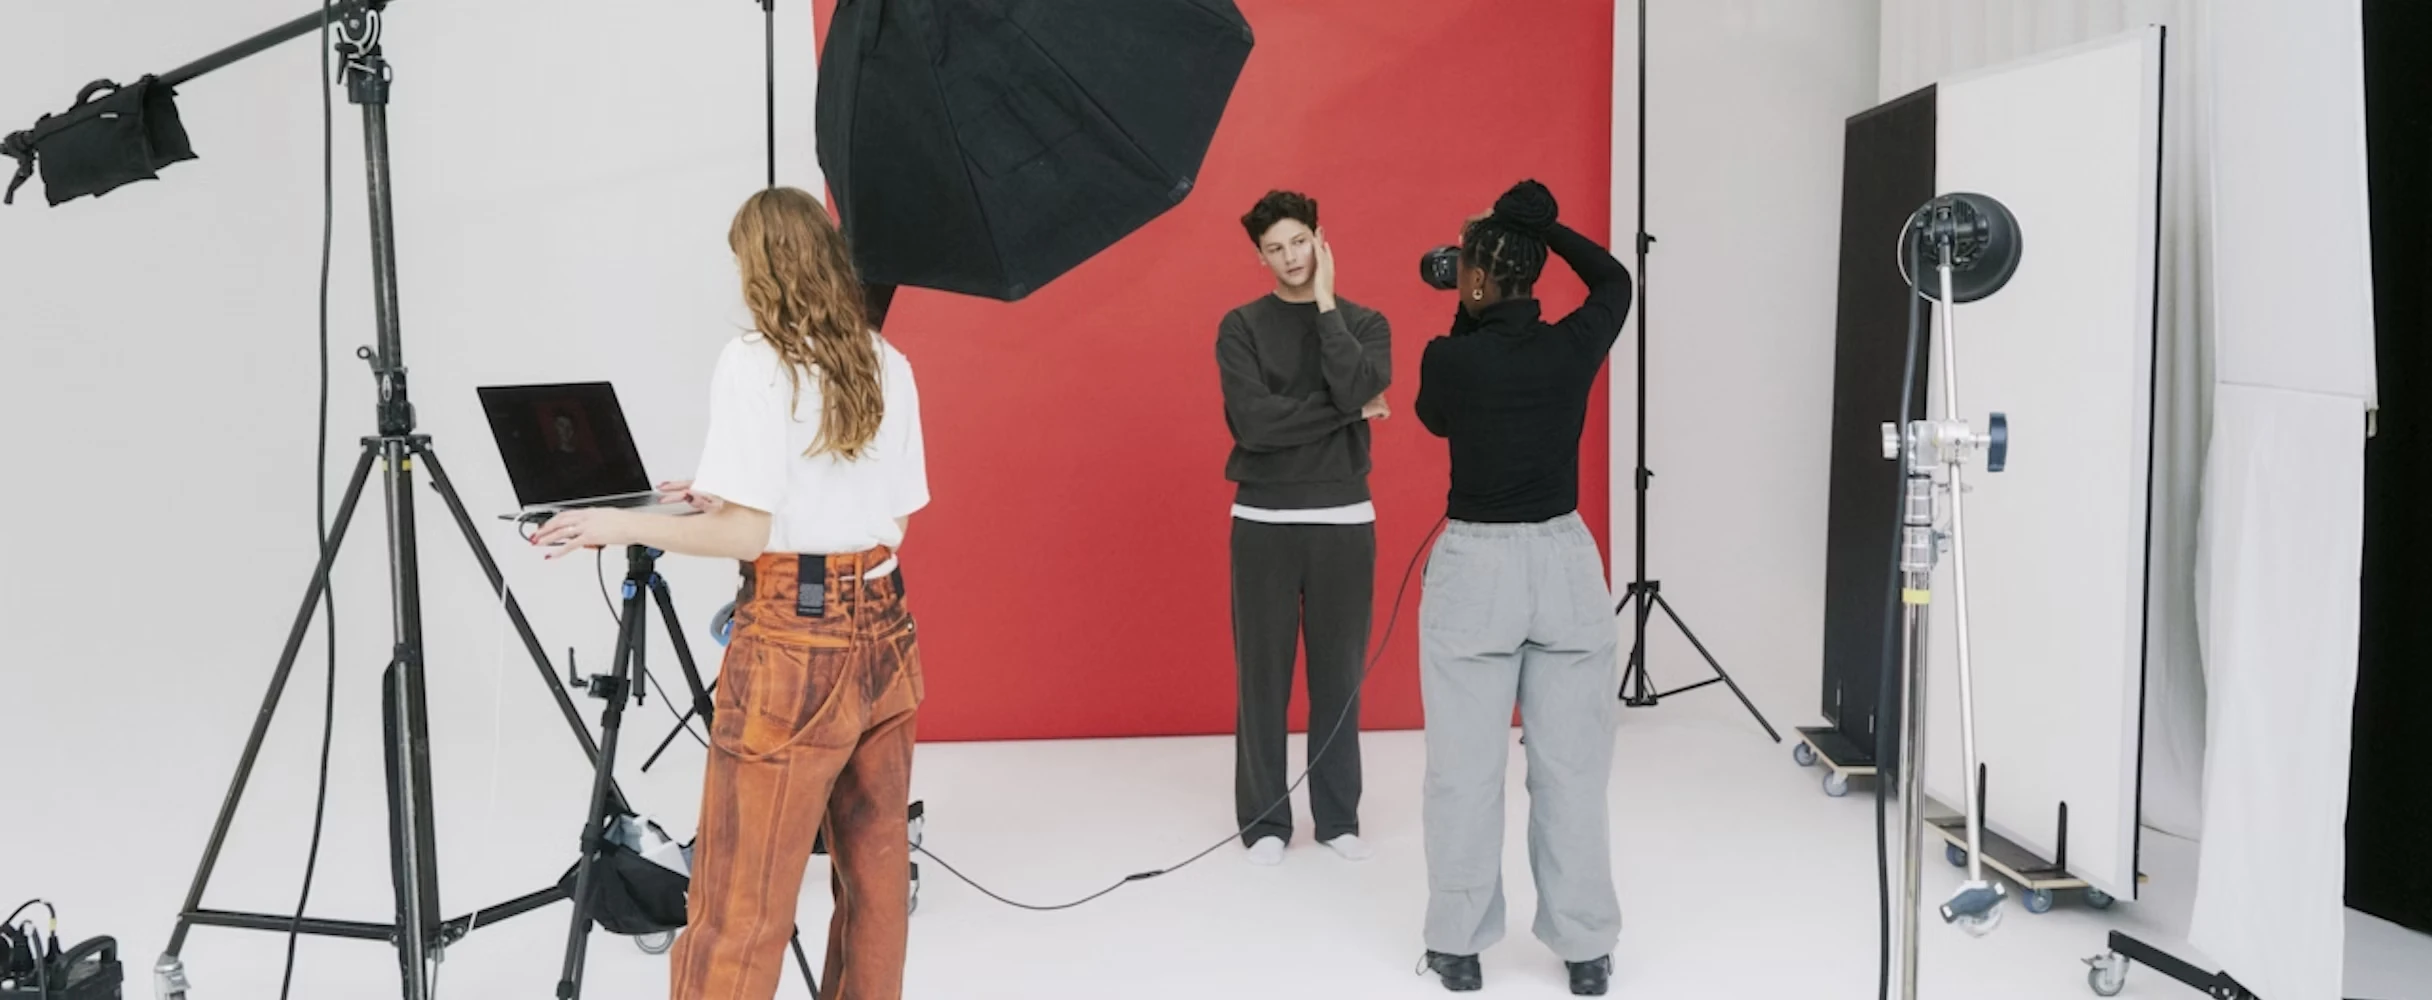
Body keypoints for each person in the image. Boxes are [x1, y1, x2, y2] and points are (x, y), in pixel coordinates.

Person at [532, 186, 930, 1000]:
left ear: (761, 269)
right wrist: (727, 490)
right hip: (887, 636)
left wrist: (616, 524)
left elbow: (748, 539)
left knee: (740, 897)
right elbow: (886, 515)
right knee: (875, 878)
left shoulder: (755, 360)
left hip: (795, 643)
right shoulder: (885, 361)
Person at [1409, 179, 1630, 996]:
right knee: (1572, 768)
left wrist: (1472, 298)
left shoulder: (1450, 357)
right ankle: (1585, 950)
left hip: (1478, 570)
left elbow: (1436, 415)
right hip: (1567, 564)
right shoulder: (1573, 344)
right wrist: (1543, 229)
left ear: (1471, 279)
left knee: (1463, 770)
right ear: (1536, 273)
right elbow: (1615, 282)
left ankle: (1459, 946)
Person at [1216, 189, 1393, 866]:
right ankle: (1264, 823)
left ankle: (1338, 816)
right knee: (1261, 677)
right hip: (1262, 520)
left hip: (1344, 520)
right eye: (1274, 248)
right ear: (1258, 256)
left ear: (1320, 239)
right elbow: (1254, 425)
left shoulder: (1364, 323)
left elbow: (1354, 379)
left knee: (1338, 676)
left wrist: (1325, 305)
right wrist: (1350, 411)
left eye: (1298, 242)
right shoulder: (1240, 326)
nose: (1289, 258)